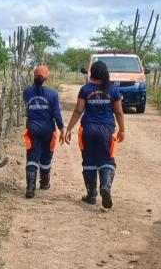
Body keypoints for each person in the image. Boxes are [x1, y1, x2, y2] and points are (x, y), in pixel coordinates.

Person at [62, 61, 125, 208]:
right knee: (107, 160)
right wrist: (122, 129)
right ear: (105, 73)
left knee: (89, 161)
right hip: (107, 130)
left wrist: (69, 129)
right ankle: (105, 187)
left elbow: (78, 110)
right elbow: (119, 112)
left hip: (87, 130)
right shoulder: (114, 90)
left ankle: (91, 195)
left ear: (92, 72)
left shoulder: (85, 89)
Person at [23, 65, 65, 199]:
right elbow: (57, 114)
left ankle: (30, 188)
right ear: (47, 77)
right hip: (48, 130)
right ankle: (45, 183)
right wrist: (62, 129)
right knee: (47, 156)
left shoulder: (27, 92)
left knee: (32, 156)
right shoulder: (53, 94)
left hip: (32, 129)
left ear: (34, 76)